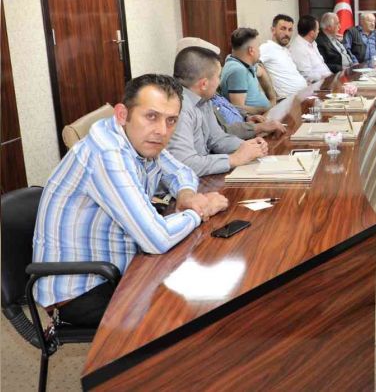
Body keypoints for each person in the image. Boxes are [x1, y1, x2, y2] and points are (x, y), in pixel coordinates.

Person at [32, 74, 229, 325]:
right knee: (187, 313)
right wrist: (200, 210)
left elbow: (182, 172)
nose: (162, 130)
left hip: (122, 268)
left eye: (171, 120)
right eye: (151, 116)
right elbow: (156, 239)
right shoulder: (106, 154)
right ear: (122, 115)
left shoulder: (140, 140)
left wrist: (187, 195)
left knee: (203, 284)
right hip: (82, 291)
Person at [168, 45, 268, 176]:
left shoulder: (204, 100)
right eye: (218, 77)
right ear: (204, 84)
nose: (219, 82)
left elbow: (217, 139)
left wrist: (248, 146)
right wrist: (233, 159)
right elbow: (184, 164)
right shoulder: (178, 108)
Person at [178, 36, 285, 140]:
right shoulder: (193, 103)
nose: (218, 80)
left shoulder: (207, 91)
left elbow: (228, 106)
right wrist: (257, 127)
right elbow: (221, 134)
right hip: (241, 138)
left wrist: (247, 117)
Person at [220, 27, 273, 114]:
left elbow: (262, 72)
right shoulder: (238, 71)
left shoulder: (243, 62)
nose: (259, 51)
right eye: (258, 47)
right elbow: (238, 109)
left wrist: (272, 99)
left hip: (267, 112)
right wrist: (267, 109)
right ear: (251, 51)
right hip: (259, 118)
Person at [259, 14, 308, 99]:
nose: (287, 33)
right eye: (283, 29)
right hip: (287, 101)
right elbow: (249, 65)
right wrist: (269, 94)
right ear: (273, 30)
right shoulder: (267, 47)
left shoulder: (284, 50)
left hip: (302, 96)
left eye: (290, 30)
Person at [290, 14, 334, 82]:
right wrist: (325, 77)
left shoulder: (312, 42)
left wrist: (331, 76)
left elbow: (322, 64)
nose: (318, 31)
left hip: (328, 79)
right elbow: (307, 75)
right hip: (317, 84)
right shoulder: (298, 48)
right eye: (317, 29)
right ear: (311, 33)